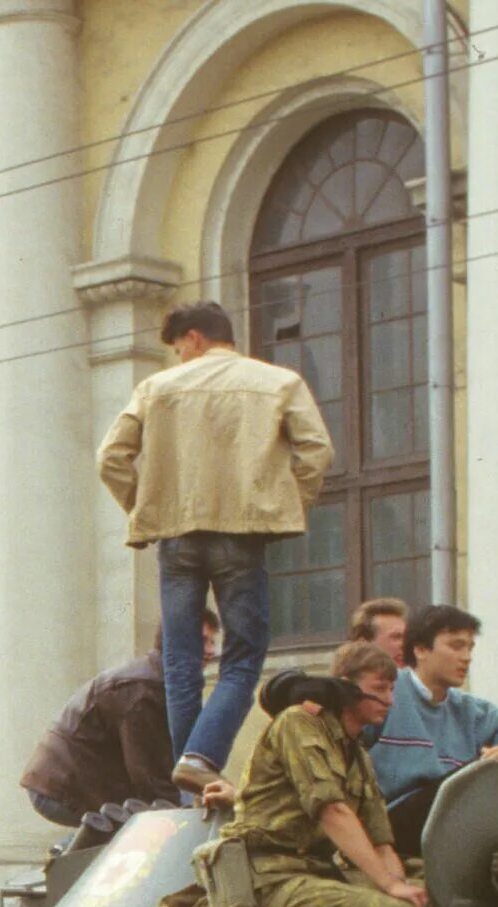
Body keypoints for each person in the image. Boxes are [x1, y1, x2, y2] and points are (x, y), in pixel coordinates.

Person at [97, 300, 333, 796]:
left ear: (195, 337)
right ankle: (200, 762)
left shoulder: (155, 389)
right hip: (241, 535)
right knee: (243, 658)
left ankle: (190, 786)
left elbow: (111, 457)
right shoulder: (278, 382)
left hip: (177, 539)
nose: (180, 356)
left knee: (181, 663)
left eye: (179, 346)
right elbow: (316, 451)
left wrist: (146, 507)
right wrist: (287, 505)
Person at [164, 641, 428, 907]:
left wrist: (402, 887)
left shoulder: (357, 755)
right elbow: (333, 812)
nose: (390, 700)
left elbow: (380, 842)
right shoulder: (299, 723)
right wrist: (390, 886)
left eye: (392, 689)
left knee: (430, 904)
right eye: (379, 689)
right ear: (346, 688)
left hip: (316, 873)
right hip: (271, 878)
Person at [368, 604, 498, 859]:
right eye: (455, 646)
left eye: (470, 647)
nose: (467, 657)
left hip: (452, 817)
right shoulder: (389, 692)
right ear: (420, 649)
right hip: (396, 821)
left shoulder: (470, 710)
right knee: (484, 773)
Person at [20, 613, 222, 828]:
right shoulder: (144, 690)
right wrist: (178, 821)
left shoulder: (165, 682)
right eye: (201, 641)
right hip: (61, 785)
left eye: (212, 641)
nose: (211, 651)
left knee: (124, 836)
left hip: (78, 782)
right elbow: (149, 774)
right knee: (125, 837)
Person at [348, 597, 409, 668]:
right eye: (396, 637)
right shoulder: (342, 678)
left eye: (407, 637)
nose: (406, 645)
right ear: (364, 644)